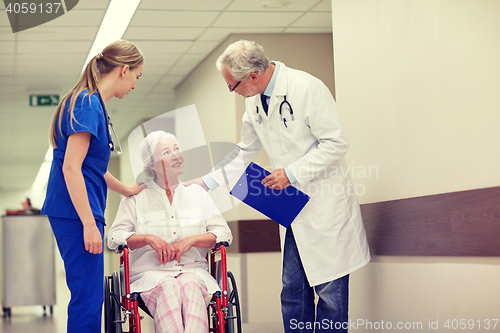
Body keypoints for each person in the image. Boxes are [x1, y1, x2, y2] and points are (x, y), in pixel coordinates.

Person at [186, 40, 371, 332]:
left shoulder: (306, 88)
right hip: (292, 212)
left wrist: (292, 174)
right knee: (292, 292)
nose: (232, 92)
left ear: (253, 77)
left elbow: (337, 142)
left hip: (325, 207)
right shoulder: (254, 101)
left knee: (330, 296)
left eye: (232, 85)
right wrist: (206, 182)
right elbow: (244, 151)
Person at [41, 40, 146, 333]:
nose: (135, 85)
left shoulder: (91, 103)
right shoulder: (87, 103)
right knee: (87, 298)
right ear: (124, 70)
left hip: (77, 210)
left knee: (87, 295)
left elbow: (91, 167)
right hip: (76, 213)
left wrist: (125, 189)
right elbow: (71, 167)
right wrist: (89, 223)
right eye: (137, 76)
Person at [108, 131, 232, 333]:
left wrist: (191, 241)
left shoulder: (197, 195)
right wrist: (148, 239)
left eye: (176, 149)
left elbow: (224, 233)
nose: (176, 154)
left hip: (194, 272)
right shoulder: (137, 198)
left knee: (190, 284)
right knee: (168, 286)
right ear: (151, 165)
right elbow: (115, 238)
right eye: (166, 152)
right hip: (151, 276)